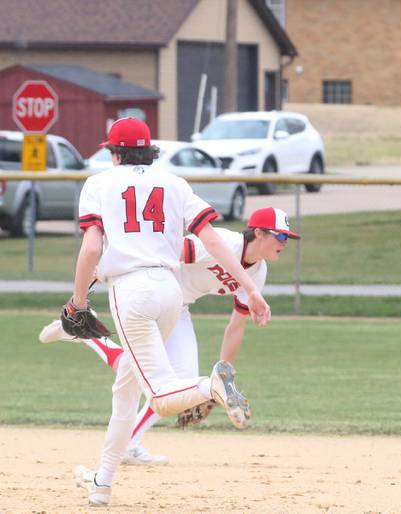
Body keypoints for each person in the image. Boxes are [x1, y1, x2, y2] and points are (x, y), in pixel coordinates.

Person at [66, 117, 269, 506]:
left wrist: (78, 302)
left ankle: (210, 386)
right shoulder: (174, 184)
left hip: (131, 292)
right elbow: (212, 238)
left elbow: (92, 249)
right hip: (170, 291)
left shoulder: (99, 183)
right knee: (125, 390)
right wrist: (250, 286)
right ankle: (102, 484)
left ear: (114, 152)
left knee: (159, 395)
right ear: (150, 152)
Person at [39, 207, 299, 466]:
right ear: (259, 233)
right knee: (158, 378)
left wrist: (223, 380)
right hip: (155, 293)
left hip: (179, 307)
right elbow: (168, 248)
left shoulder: (258, 273)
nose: (284, 243)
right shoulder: (225, 243)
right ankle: (127, 439)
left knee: (164, 379)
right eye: (281, 236)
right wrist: (114, 266)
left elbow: (236, 326)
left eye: (286, 238)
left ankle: (84, 336)